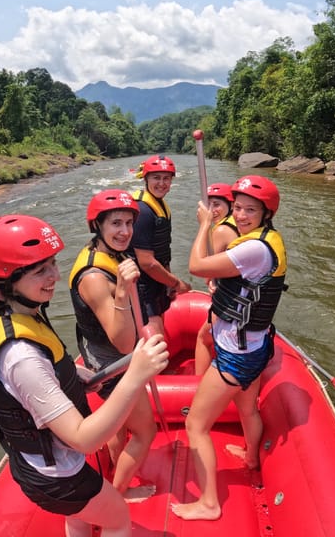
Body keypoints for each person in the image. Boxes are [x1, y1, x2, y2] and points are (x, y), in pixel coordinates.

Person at [0, 214, 169, 537]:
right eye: (40, 271)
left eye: (52, 263)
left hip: (44, 463)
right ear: (5, 282)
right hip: (57, 475)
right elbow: (85, 437)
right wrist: (136, 373)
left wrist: (80, 375)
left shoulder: (14, 312)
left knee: (79, 517)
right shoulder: (20, 356)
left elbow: (49, 370)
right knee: (117, 516)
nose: (55, 276)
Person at [172, 175, 287, 521]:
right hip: (256, 346)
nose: (240, 215)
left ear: (267, 214)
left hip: (237, 356)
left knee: (196, 425)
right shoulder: (267, 240)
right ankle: (252, 457)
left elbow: (195, 265)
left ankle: (209, 503)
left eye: (250, 210)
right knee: (247, 409)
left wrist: (204, 225)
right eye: (237, 208)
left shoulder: (253, 248)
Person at [68, 189, 158, 502]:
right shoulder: (94, 276)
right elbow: (121, 343)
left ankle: (114, 475)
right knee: (146, 432)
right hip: (113, 364)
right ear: (99, 226)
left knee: (119, 427)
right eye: (116, 224)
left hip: (101, 355)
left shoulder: (108, 252)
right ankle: (120, 493)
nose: (125, 231)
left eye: (129, 223)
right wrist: (122, 289)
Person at [130, 154, 191, 336]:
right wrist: (176, 282)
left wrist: (168, 282)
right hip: (142, 287)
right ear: (146, 178)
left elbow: (162, 249)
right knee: (156, 344)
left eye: (166, 179)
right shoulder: (143, 210)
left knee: (161, 334)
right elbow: (146, 262)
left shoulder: (160, 205)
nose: (162, 183)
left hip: (155, 281)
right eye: (156, 178)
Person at [194, 182, 238, 375]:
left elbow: (199, 265)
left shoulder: (220, 231)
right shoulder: (238, 226)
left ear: (229, 205)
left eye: (217, 204)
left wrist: (204, 226)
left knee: (203, 338)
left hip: (231, 300)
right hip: (239, 295)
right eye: (208, 205)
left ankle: (198, 384)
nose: (212, 210)